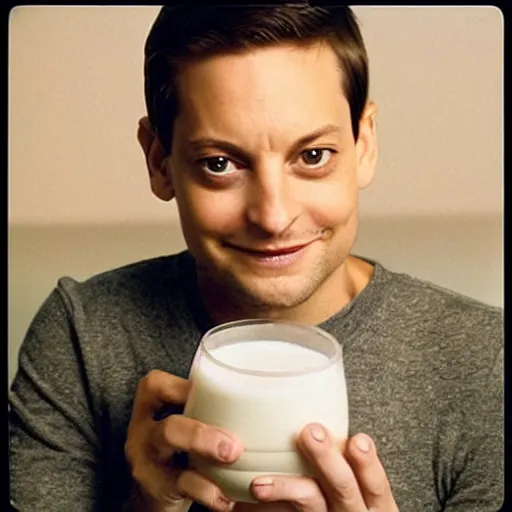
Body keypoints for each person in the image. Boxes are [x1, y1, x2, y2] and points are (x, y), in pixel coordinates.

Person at [9, 4, 503, 512]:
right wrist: (146, 504)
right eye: (220, 164)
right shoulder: (83, 336)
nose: (273, 216)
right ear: (160, 162)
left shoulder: (488, 366)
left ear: (365, 142)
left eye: (312, 156)